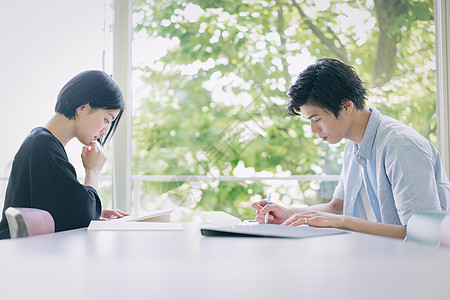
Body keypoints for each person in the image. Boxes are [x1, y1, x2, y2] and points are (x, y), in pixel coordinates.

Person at [252, 58, 450, 239]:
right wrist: (289, 213)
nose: (313, 130)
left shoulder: (400, 146)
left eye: (317, 119)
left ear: (346, 106)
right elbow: (338, 207)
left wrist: (342, 223)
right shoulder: (353, 144)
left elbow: (422, 235)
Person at [0, 70, 129, 239]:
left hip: (24, 253)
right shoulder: (44, 147)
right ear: (83, 107)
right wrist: (93, 171)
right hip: (19, 256)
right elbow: (84, 216)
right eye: (106, 119)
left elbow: (59, 211)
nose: (105, 131)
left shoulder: (42, 142)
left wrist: (95, 212)